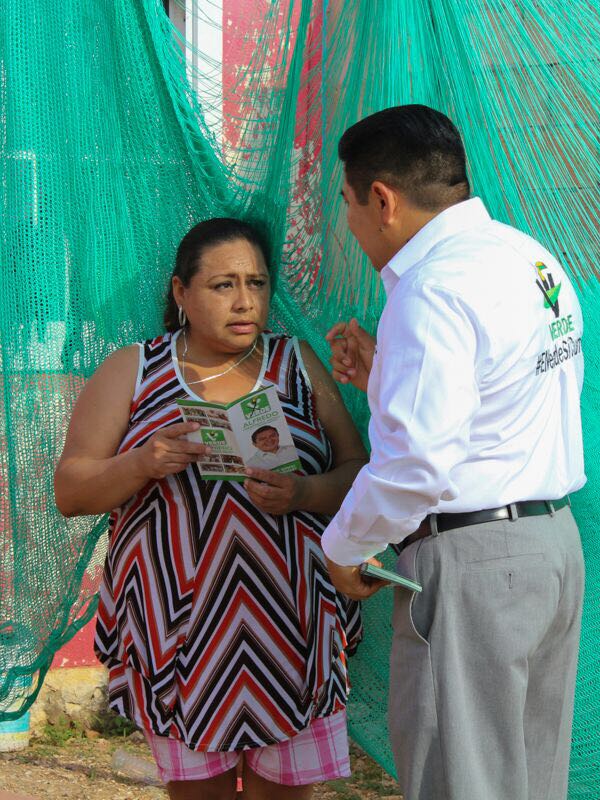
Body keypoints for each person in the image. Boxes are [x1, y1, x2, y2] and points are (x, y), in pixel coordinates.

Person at [54, 217, 382, 800]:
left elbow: (359, 471)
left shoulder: (297, 363)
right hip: (181, 634)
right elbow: (71, 491)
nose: (244, 301)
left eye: (256, 284)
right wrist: (142, 462)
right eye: (223, 285)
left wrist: (303, 493)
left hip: (292, 628)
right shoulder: (136, 369)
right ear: (181, 292)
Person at [322, 105, 586, 800]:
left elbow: (417, 466)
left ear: (380, 198)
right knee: (525, 782)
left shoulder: (431, 291)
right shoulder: (525, 255)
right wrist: (386, 373)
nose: (348, 225)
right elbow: (494, 403)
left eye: (346, 204)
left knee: (462, 783)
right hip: (549, 544)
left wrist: (345, 545)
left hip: (475, 565)